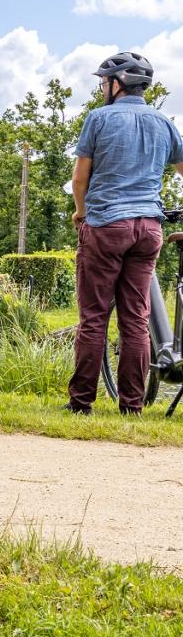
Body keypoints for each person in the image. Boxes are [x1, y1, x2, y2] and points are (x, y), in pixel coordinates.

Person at [68, 52, 183, 415]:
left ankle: (81, 402)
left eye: (104, 81)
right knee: (136, 318)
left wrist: (82, 213)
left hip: (106, 224)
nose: (102, 87)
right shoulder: (164, 123)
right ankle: (131, 406)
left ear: (117, 84)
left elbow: (79, 179)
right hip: (148, 228)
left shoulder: (98, 119)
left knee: (94, 317)